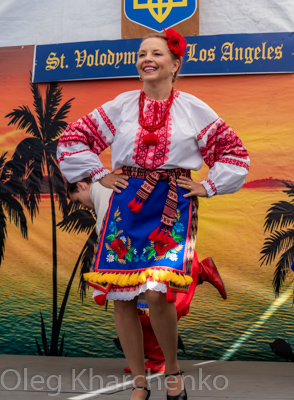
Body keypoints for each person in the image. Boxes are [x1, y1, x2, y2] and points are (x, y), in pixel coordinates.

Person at [57, 28, 250, 400]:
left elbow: (234, 154)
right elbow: (72, 139)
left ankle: (172, 370)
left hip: (172, 204)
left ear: (175, 64)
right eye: (143, 53)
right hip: (126, 203)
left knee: (158, 294)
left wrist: (208, 186)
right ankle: (140, 381)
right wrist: (100, 173)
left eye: (157, 54)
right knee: (124, 296)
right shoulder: (122, 105)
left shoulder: (194, 109)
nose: (147, 58)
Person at [66, 177, 227, 375]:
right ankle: (201, 272)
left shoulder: (99, 187)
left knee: (153, 305)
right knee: (149, 306)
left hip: (132, 254)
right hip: (143, 243)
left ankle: (160, 363)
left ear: (82, 185)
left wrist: (104, 262)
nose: (82, 206)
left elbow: (105, 225)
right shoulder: (118, 184)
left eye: (78, 200)